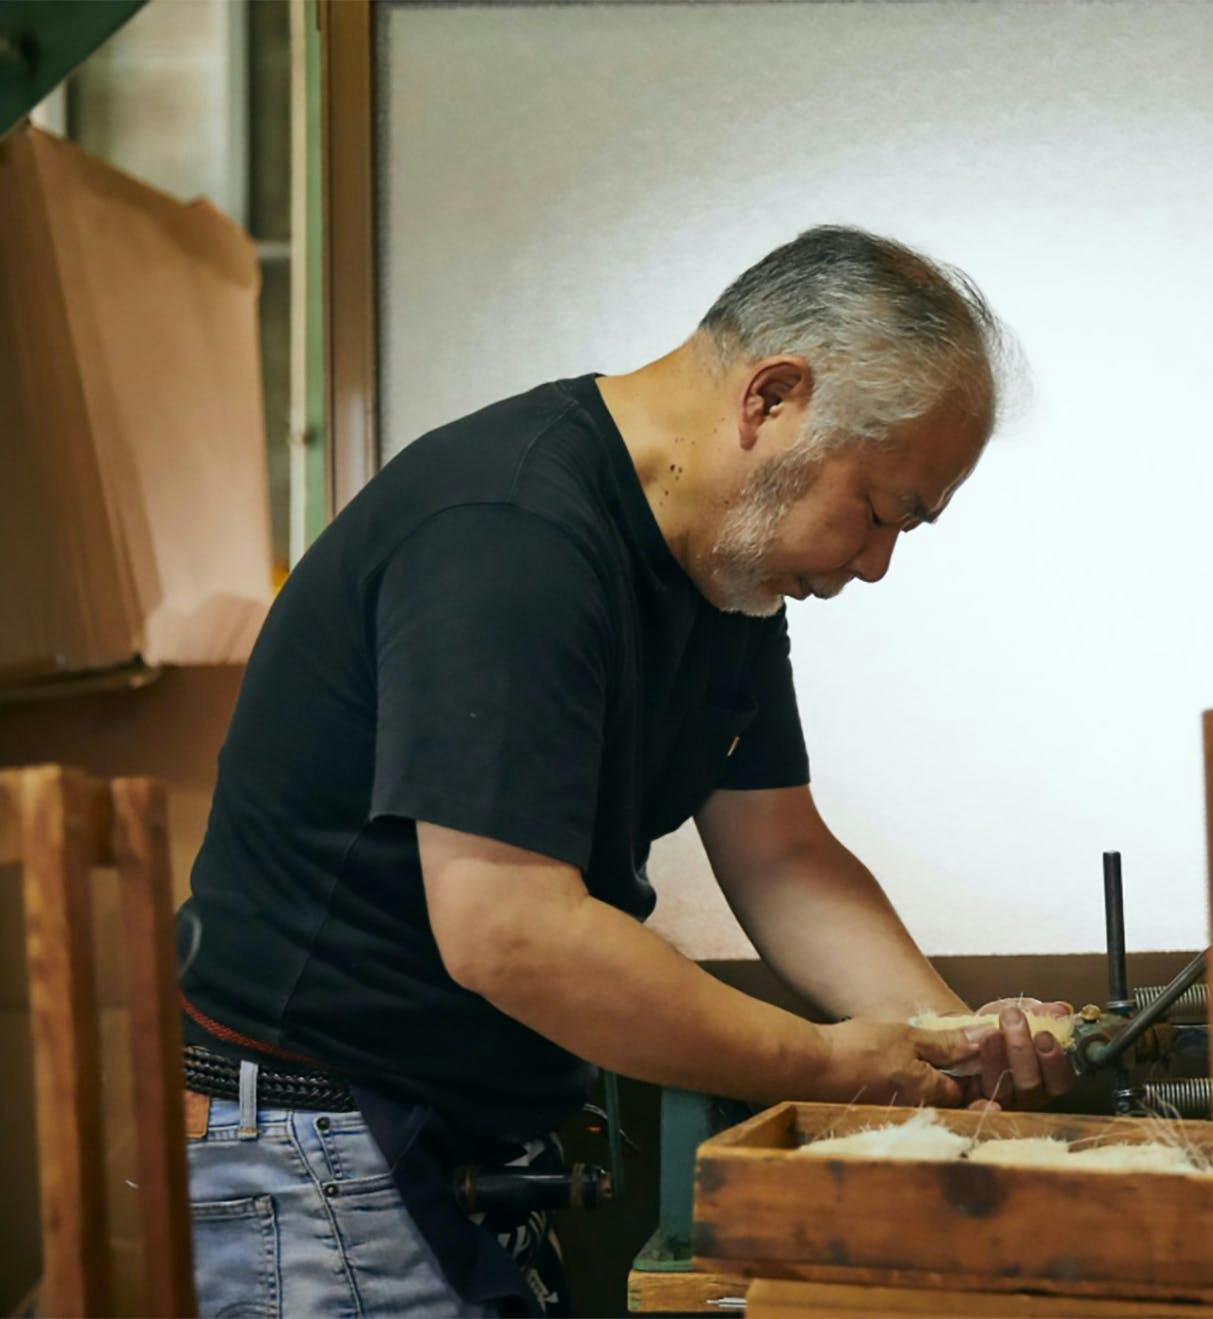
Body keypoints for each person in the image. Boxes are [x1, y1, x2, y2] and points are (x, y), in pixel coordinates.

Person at [175, 226, 1074, 1315]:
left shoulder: (724, 571)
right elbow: (511, 928)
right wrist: (828, 1063)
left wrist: (948, 1044)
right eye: (879, 510)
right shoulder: (509, 535)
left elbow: (783, 856)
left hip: (449, 1133)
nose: (875, 564)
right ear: (771, 398)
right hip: (320, 1141)